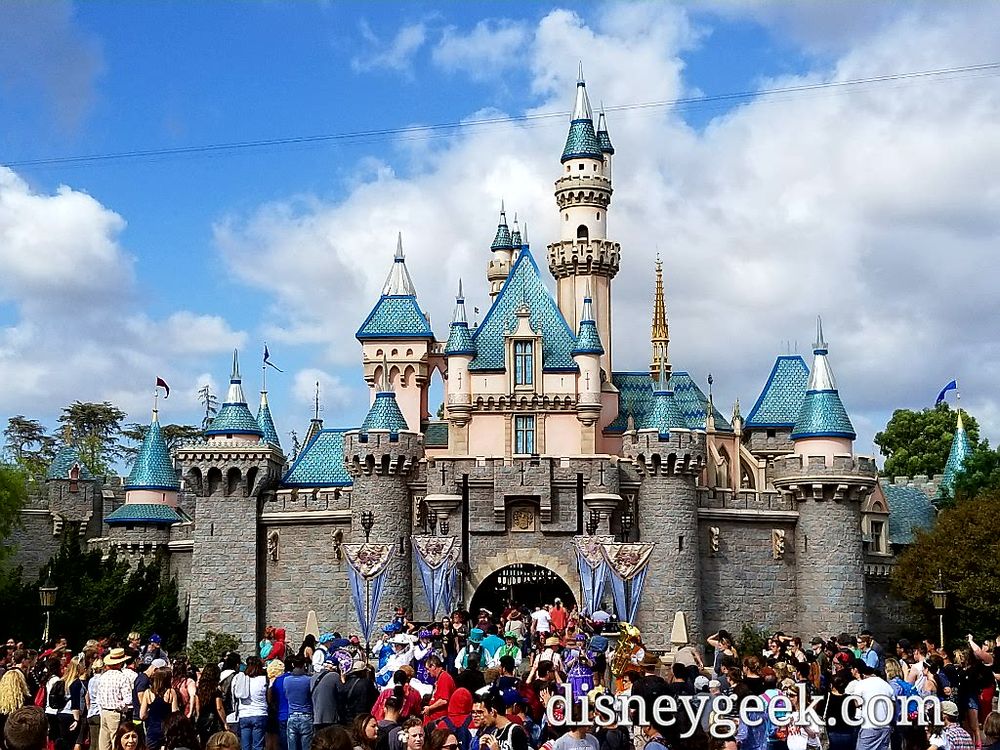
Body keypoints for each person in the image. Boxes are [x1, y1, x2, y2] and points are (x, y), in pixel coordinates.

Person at [845, 660, 894, 750]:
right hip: (885, 726)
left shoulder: (861, 684)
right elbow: (893, 703)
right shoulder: (886, 685)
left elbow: (857, 703)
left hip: (869, 725)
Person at [98, 649, 134, 750]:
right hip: (115, 713)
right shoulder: (122, 677)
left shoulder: (103, 677)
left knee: (104, 742)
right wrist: (119, 707)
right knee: (116, 741)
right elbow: (128, 699)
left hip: (104, 711)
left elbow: (99, 697)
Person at [234, 656, 269, 750]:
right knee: (258, 746)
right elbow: (268, 697)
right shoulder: (263, 679)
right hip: (259, 713)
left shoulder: (242, 678)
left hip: (244, 714)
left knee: (245, 746)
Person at [139, 668, 178, 750]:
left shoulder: (148, 693)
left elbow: (142, 715)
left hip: (153, 729)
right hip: (167, 730)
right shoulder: (171, 692)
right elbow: (175, 713)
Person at [283, 656, 314, 750]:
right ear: (304, 665)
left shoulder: (287, 680)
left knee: (292, 746)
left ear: (293, 665)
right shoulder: (308, 680)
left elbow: (286, 695)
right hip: (306, 715)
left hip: (292, 715)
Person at [194, 663, 227, 745]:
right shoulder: (216, 690)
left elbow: (197, 706)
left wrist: (198, 718)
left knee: (204, 743)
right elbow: (219, 707)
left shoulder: (199, 689)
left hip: (202, 719)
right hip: (215, 721)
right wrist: (225, 723)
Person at [312, 657, 344, 731]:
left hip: (316, 717)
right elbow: (342, 692)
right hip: (330, 718)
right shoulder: (335, 676)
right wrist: (343, 679)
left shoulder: (314, 677)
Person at [422, 657, 455, 727]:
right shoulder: (439, 678)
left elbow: (444, 700)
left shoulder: (444, 678)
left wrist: (430, 708)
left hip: (439, 720)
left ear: (433, 666)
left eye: (428, 669)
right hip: (433, 719)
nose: (427, 672)